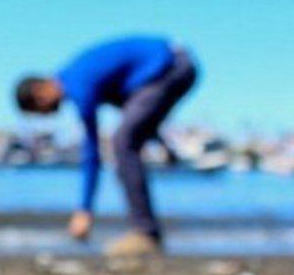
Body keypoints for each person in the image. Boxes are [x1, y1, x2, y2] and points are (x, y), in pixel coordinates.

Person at [14, 35, 199, 256]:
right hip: (171, 65)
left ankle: (146, 234)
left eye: (39, 112)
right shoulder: (81, 76)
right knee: (128, 137)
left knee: (122, 143)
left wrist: (84, 210)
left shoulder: (78, 85)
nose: (45, 117)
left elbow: (92, 153)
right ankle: (147, 231)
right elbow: (134, 112)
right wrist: (164, 145)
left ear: (40, 94)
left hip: (169, 67)